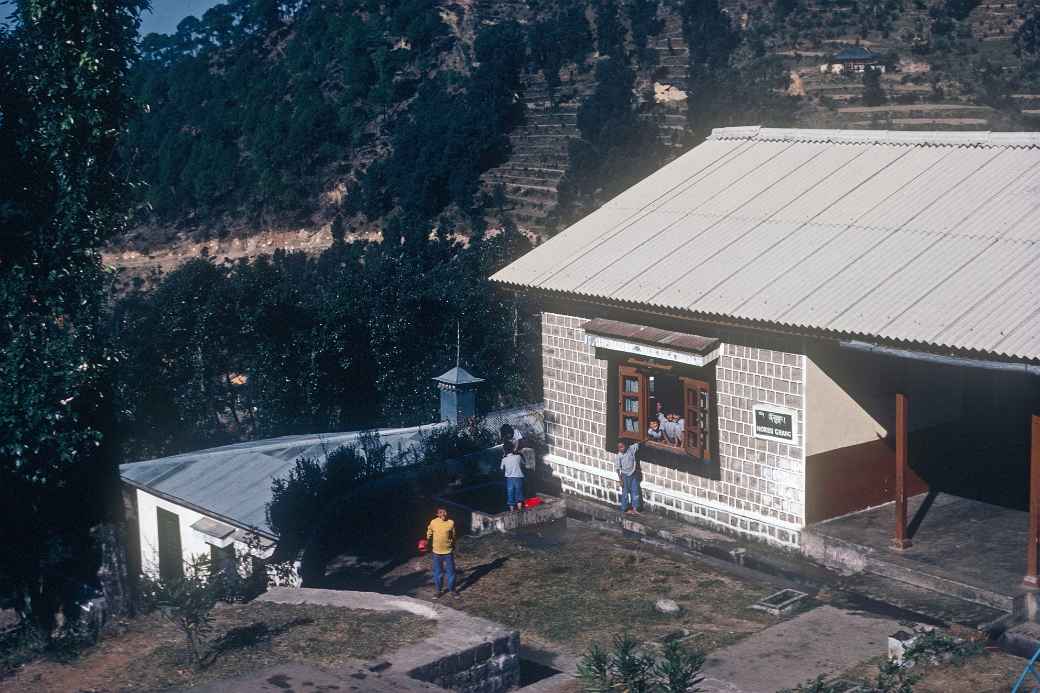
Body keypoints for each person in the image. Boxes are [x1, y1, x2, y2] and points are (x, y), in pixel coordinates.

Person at [425, 507, 458, 598]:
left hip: (448, 552)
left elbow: (454, 535)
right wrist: (427, 539)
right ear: (437, 514)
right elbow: (429, 531)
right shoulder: (433, 522)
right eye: (441, 512)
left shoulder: (451, 523)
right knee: (438, 573)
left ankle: (452, 590)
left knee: (451, 573)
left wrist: (453, 544)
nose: (443, 514)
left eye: (444, 512)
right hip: (436, 553)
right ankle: (438, 591)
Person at [616, 440, 641, 515]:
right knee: (625, 493)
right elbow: (617, 468)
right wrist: (620, 480)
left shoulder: (631, 449)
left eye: (622, 447)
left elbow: (638, 443)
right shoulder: (619, 456)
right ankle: (624, 509)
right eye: (619, 448)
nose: (620, 449)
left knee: (635, 491)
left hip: (633, 474)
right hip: (625, 476)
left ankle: (635, 508)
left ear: (626, 446)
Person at [501, 440, 526, 511]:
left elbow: (501, 468)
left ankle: (512, 511)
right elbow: (524, 464)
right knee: (519, 495)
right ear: (513, 448)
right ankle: (520, 510)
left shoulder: (504, 459)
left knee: (510, 495)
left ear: (504, 450)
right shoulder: (518, 457)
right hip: (518, 478)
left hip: (509, 479)